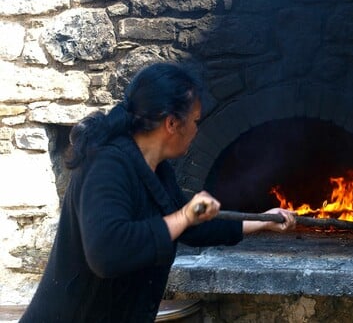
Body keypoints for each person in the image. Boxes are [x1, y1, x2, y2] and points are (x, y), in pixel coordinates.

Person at [20, 62, 296, 322]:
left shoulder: (157, 169)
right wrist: (185, 217)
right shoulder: (106, 164)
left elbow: (190, 225)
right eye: (195, 120)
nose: (197, 130)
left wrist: (263, 220)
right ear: (172, 123)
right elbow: (107, 253)